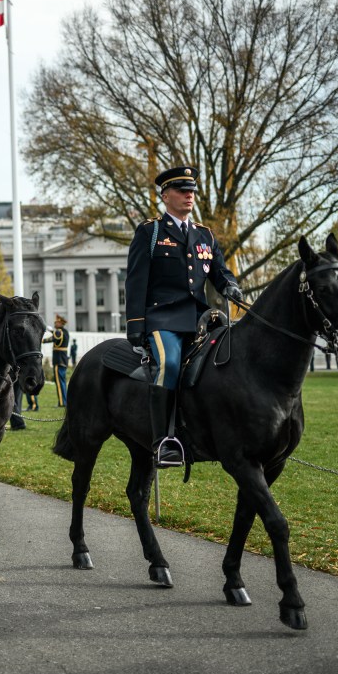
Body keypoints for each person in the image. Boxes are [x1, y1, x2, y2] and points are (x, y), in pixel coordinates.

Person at [126, 166, 241, 468]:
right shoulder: (150, 232)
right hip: (163, 318)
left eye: (191, 190)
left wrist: (230, 284)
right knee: (170, 364)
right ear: (165, 196)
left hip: (201, 318)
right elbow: (136, 281)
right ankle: (163, 442)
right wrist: (136, 325)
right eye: (181, 190)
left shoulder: (205, 235)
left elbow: (220, 271)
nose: (189, 195)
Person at [45, 314, 71, 408]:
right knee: (62, 382)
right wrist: (51, 330)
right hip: (63, 360)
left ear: (60, 323)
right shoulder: (65, 332)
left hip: (58, 360)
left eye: (57, 322)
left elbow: (54, 338)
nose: (55, 323)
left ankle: (61, 402)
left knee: (59, 383)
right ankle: (64, 401)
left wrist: (40, 340)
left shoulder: (59, 332)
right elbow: (57, 335)